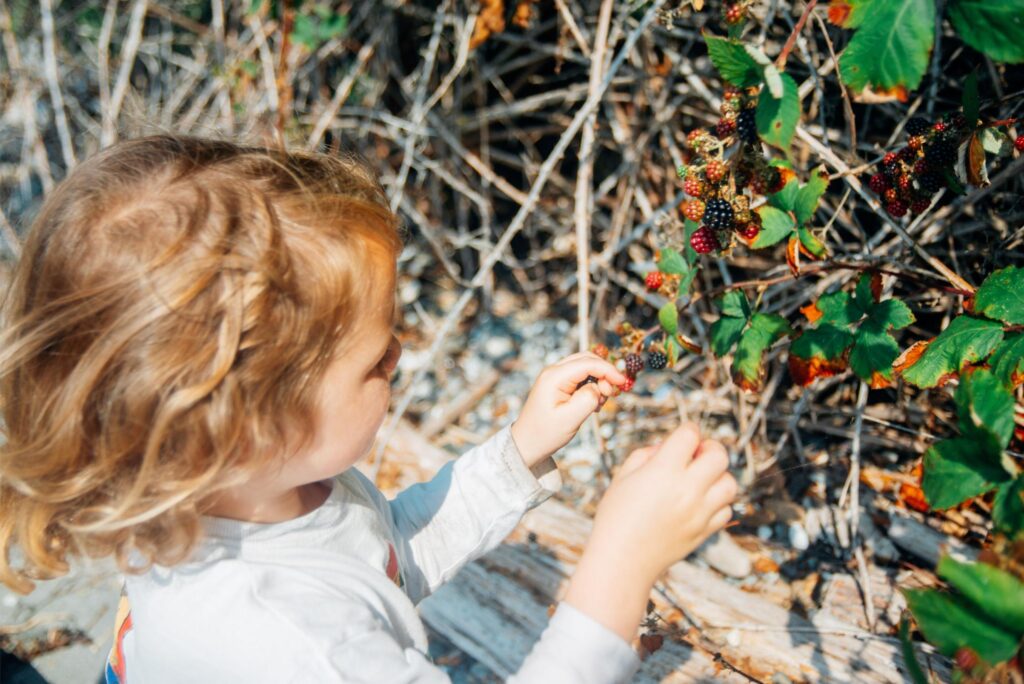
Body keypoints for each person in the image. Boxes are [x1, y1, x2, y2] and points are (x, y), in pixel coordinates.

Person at [0, 135, 737, 683]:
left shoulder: (242, 492)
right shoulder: (294, 644)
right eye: (376, 358)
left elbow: (388, 560)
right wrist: (619, 566)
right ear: (252, 424)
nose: (401, 354)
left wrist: (518, 453)